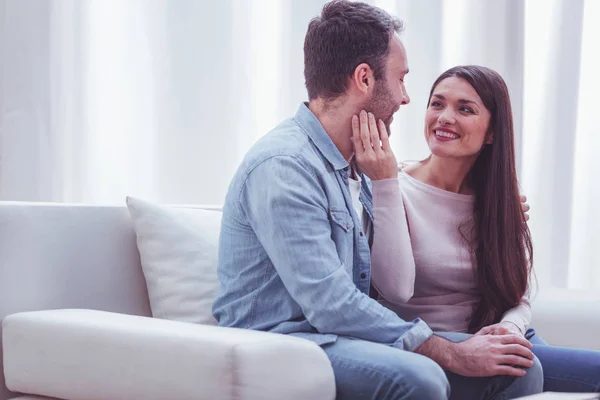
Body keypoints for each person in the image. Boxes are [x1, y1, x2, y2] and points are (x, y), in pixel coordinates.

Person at [213, 1, 543, 399]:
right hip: (288, 343)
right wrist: (452, 354)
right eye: (400, 79)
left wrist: (495, 208)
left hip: (341, 336)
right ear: (365, 79)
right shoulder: (285, 166)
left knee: (516, 369)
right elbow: (331, 304)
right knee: (420, 378)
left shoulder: (357, 167)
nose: (406, 98)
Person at [355, 64, 600, 395]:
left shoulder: (497, 199)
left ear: (492, 133)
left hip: (500, 335)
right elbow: (392, 288)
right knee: (523, 372)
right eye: (437, 104)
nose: (444, 117)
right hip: (440, 346)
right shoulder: (390, 188)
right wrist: (384, 185)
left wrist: (510, 329)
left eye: (465, 109)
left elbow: (518, 293)